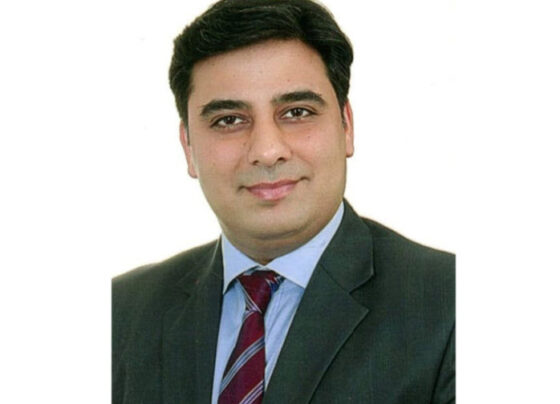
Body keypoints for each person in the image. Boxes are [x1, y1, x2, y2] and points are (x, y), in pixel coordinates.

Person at [112, 0, 455, 403]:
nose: (267, 150)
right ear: (188, 146)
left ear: (346, 126)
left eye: (296, 112)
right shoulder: (120, 313)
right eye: (228, 120)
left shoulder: (451, 305)